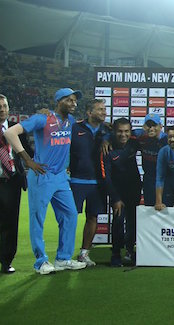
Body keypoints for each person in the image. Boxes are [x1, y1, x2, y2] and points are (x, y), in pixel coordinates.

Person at [4, 88, 87, 274]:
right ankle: (41, 262)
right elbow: (10, 133)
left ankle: (63, 259)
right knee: (37, 219)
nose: (74, 104)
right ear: (59, 101)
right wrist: (27, 159)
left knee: (70, 215)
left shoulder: (70, 121)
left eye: (75, 101)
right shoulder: (42, 119)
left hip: (60, 178)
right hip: (42, 175)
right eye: (69, 100)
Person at [70, 98, 110, 267]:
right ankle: (64, 253)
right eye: (100, 109)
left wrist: (107, 138)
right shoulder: (75, 128)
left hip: (98, 183)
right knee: (70, 218)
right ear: (89, 112)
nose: (104, 112)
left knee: (93, 217)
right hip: (76, 180)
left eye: (104, 109)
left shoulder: (107, 130)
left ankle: (84, 254)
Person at [100, 118, 142, 267]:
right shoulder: (107, 148)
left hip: (134, 190)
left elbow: (146, 133)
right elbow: (106, 177)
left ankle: (130, 251)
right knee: (118, 222)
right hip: (117, 192)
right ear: (113, 132)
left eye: (126, 131)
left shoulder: (134, 142)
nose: (123, 135)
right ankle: (116, 254)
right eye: (119, 131)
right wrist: (115, 198)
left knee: (133, 222)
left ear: (130, 132)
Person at [0, 94, 30, 274]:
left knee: (11, 223)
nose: (1, 109)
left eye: (4, 106)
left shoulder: (16, 129)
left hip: (11, 181)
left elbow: (27, 152)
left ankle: (6, 261)